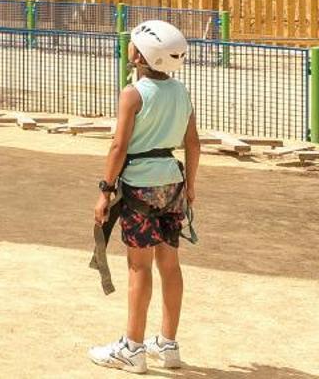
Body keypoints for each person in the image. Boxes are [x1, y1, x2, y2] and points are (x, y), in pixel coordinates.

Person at [89, 20, 200, 373]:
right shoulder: (182, 92)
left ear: (141, 55)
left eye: (132, 44)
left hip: (138, 187)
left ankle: (133, 348)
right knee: (171, 265)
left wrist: (105, 191)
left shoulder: (133, 94)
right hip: (172, 185)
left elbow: (119, 145)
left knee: (139, 266)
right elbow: (193, 143)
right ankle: (168, 345)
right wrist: (192, 186)